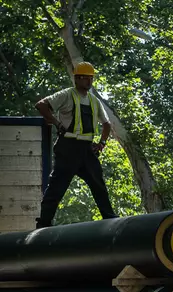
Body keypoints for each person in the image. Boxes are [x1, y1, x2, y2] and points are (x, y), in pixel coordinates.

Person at [34, 61, 116, 229]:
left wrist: (101, 143)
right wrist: (57, 123)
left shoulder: (94, 101)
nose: (88, 81)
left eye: (90, 78)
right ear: (76, 79)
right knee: (57, 187)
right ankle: (44, 224)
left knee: (98, 184)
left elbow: (107, 124)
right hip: (68, 147)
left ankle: (110, 220)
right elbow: (41, 105)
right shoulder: (66, 94)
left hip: (86, 149)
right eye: (84, 78)